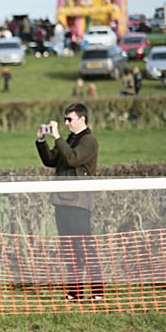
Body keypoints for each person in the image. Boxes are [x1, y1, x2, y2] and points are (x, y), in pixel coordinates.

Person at [35, 102, 104, 301]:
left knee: (85, 247)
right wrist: (41, 141)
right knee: (69, 250)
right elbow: (51, 160)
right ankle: (75, 292)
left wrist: (57, 138)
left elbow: (73, 159)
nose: (66, 123)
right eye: (65, 119)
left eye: (70, 119)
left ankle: (97, 292)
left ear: (82, 119)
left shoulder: (89, 141)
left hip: (79, 203)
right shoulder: (69, 140)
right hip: (62, 202)